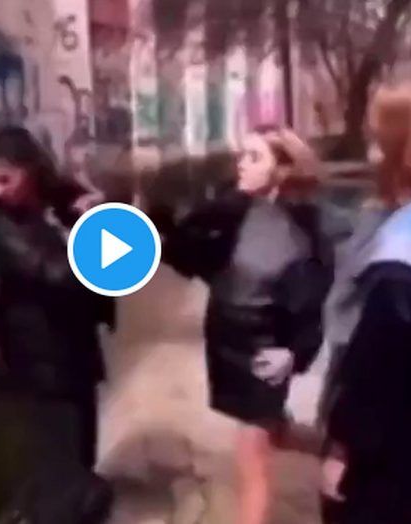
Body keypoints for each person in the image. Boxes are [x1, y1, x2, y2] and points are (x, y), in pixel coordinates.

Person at [157, 126, 331, 524]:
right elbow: (195, 258)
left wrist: (294, 351)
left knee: (252, 459)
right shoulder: (233, 211)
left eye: (255, 157)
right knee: (272, 432)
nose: (241, 164)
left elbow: (311, 299)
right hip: (226, 342)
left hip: (264, 348)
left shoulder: (301, 227)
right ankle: (337, 447)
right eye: (242, 155)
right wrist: (160, 229)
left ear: (281, 169)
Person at [320, 79, 411, 524]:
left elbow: (379, 365)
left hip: (398, 459)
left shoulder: (407, 247)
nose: (369, 153)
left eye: (376, 140)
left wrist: (344, 447)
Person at [0, 125, 114, 470]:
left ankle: (84, 493)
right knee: (60, 451)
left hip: (76, 343)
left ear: (31, 168)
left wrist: (98, 211)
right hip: (41, 354)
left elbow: (111, 226)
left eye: (5, 179)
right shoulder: (1, 225)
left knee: (83, 443)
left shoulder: (59, 196)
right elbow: (60, 273)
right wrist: (96, 240)